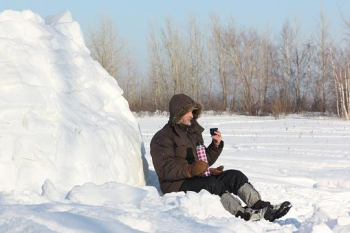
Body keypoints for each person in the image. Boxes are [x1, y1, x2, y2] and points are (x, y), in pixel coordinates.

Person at [150, 94, 291, 221]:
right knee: (212, 184)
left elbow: (203, 161)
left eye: (193, 111)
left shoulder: (192, 132)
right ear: (178, 112)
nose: (192, 115)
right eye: (188, 111)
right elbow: (164, 169)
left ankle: (263, 208)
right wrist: (190, 170)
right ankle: (243, 213)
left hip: (196, 177)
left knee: (234, 176)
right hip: (176, 184)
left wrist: (215, 146)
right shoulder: (163, 137)